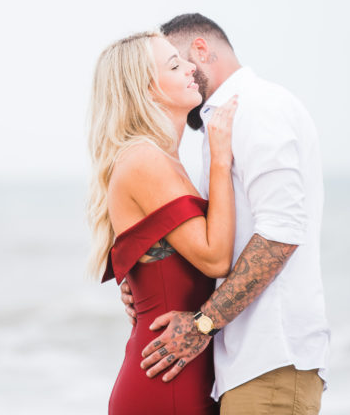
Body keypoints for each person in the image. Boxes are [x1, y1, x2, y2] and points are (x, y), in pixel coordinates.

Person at [134, 13, 330, 415]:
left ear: (201, 51)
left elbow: (282, 232)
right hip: (247, 364)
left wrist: (203, 324)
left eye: (178, 61)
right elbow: (220, 239)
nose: (182, 73)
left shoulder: (257, 107)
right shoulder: (221, 123)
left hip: (272, 359)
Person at [88, 31, 239, 415]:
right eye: (175, 64)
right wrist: (222, 160)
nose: (192, 67)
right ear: (145, 89)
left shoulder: (161, 160)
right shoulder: (144, 159)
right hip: (167, 381)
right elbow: (215, 258)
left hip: (178, 372)